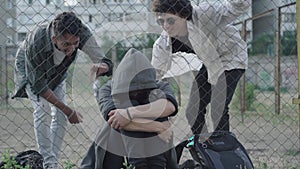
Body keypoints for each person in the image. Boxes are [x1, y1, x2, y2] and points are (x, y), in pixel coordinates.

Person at [12, 11, 113, 169]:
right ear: (54, 39)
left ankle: (51, 162)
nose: (72, 49)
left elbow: (103, 59)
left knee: (60, 116)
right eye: (67, 44)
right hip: (30, 68)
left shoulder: (81, 32)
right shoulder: (36, 42)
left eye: (76, 44)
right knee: (42, 109)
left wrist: (103, 66)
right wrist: (69, 111)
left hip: (58, 72)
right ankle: (48, 162)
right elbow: (39, 87)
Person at [151, 0, 250, 134]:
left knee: (218, 108)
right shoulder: (163, 43)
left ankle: (224, 148)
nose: (166, 26)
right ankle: (203, 145)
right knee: (192, 110)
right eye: (160, 21)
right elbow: (156, 74)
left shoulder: (205, 13)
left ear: (184, 15)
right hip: (210, 64)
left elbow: (236, 8)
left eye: (170, 21)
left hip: (231, 58)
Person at [80, 48, 179, 169]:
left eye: (141, 90)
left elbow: (169, 107)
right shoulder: (107, 89)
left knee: (157, 103)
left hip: (154, 153)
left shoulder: (159, 86)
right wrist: (157, 127)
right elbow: (115, 120)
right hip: (116, 153)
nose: (136, 93)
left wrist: (129, 113)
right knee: (124, 106)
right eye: (131, 90)